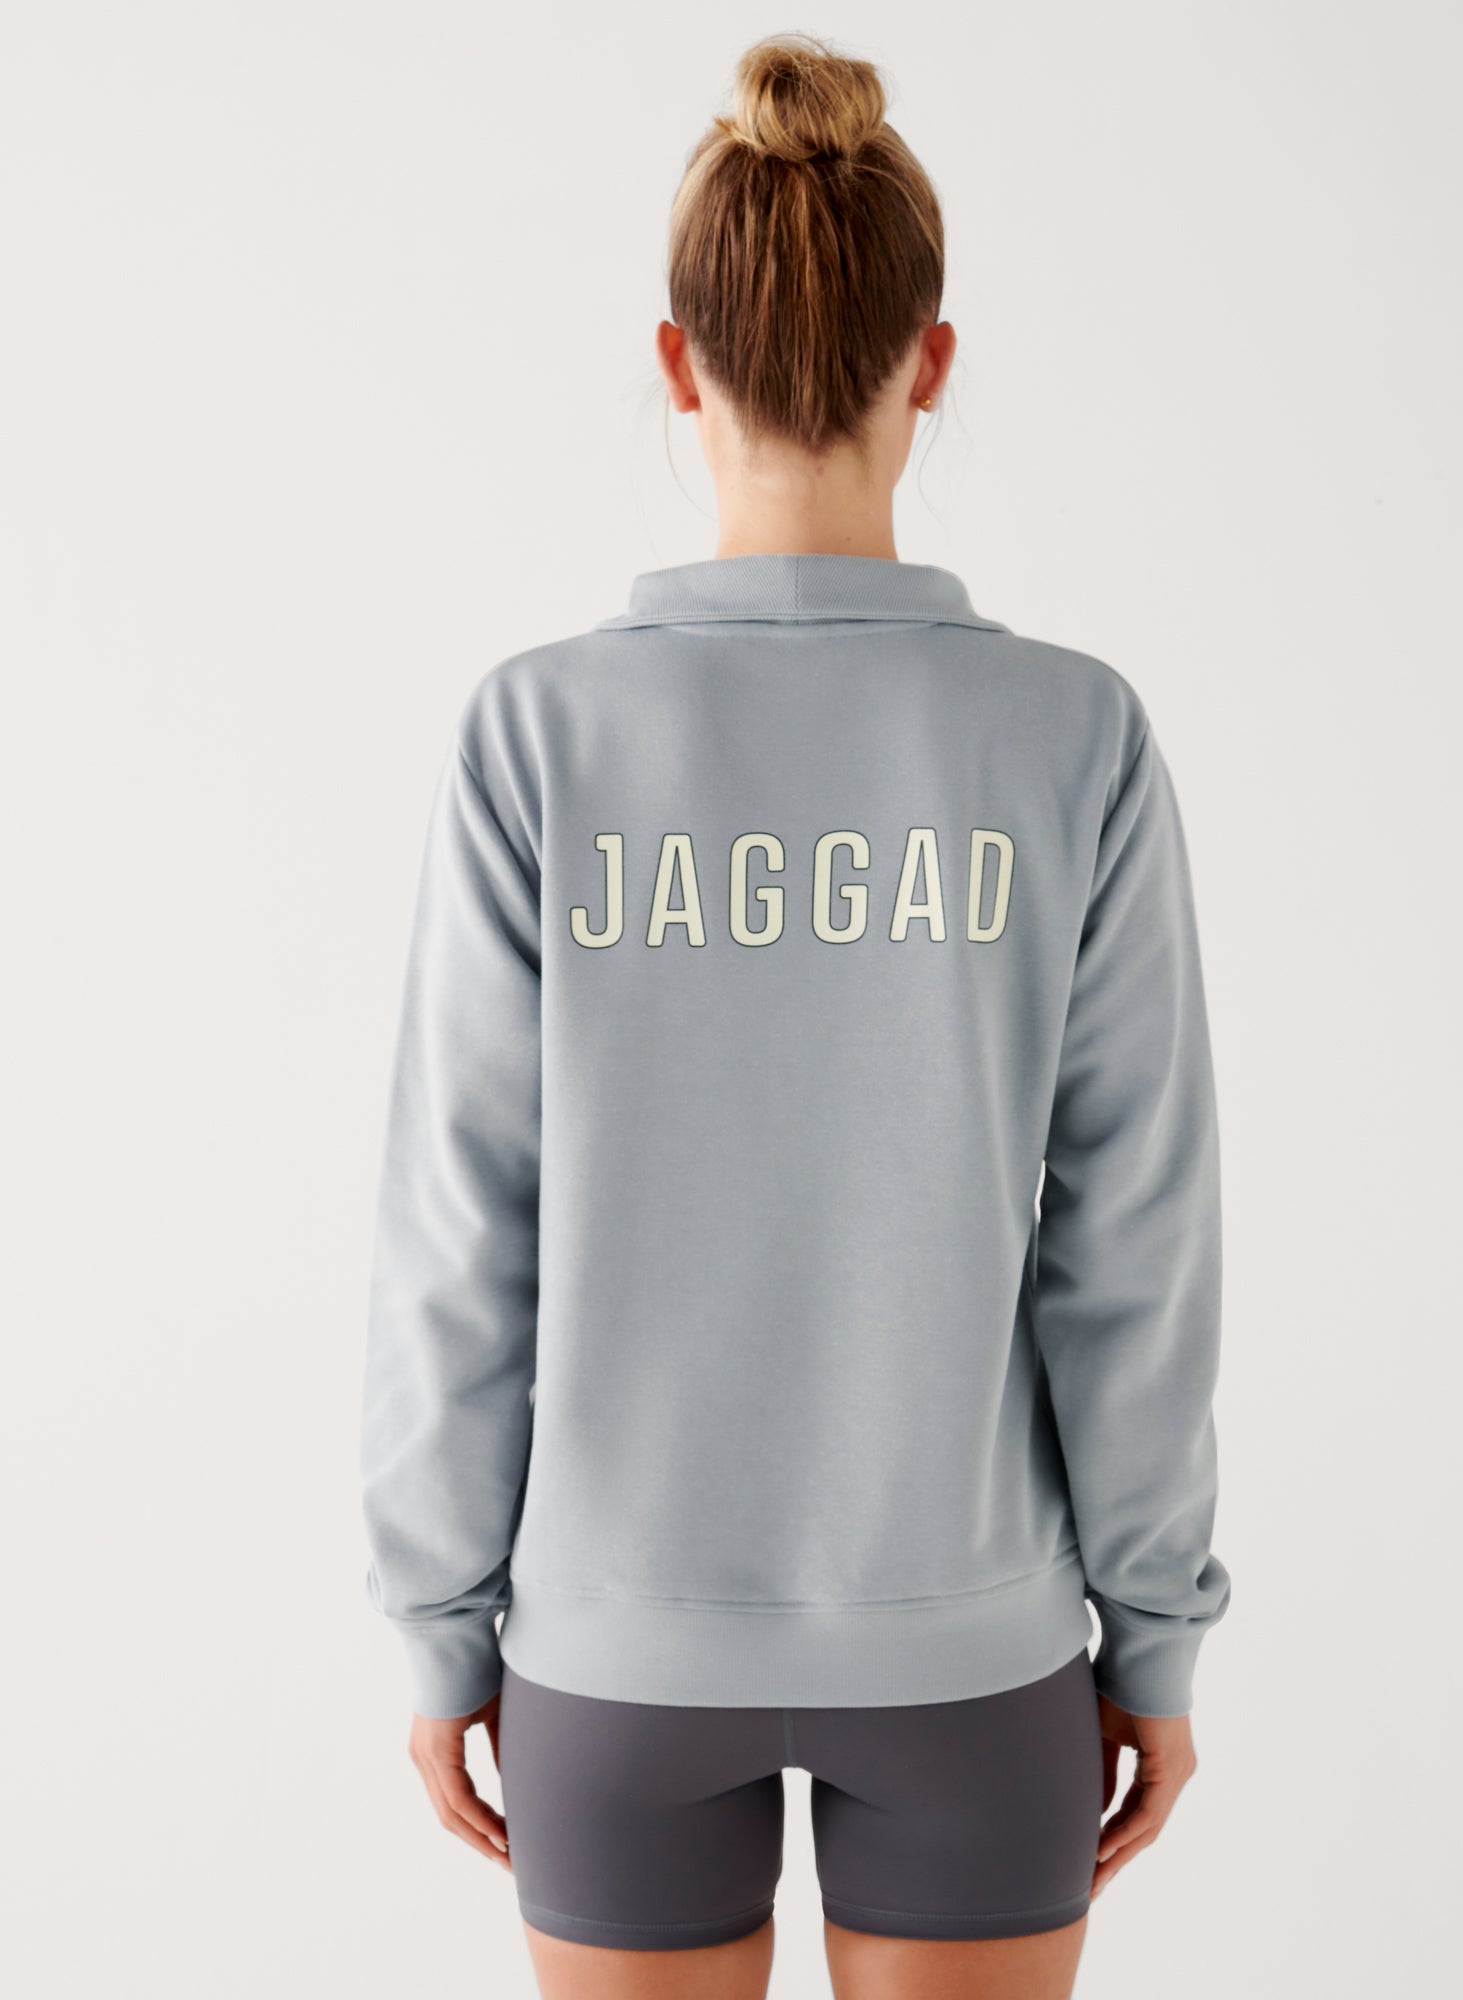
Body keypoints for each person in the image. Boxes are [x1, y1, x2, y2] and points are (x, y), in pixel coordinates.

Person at [359, 32, 1230, 2000]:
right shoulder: (1071, 737)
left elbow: (457, 1226)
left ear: (678, 362)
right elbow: (1135, 1240)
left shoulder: (536, 736)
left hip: (611, 1655)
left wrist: (438, 1620)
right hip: (975, 1655)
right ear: (933, 360)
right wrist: (1155, 1631)